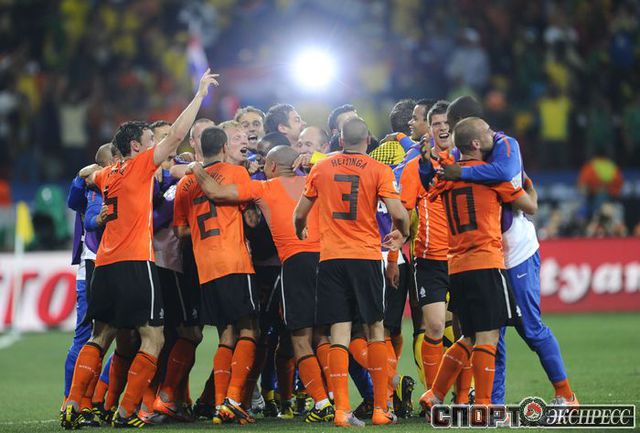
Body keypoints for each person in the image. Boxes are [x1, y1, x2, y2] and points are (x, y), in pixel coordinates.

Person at [61, 68, 219, 430]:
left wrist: (92, 167)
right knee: (154, 337)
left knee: (101, 336)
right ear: (136, 146)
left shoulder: (107, 174)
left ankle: (72, 404)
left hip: (104, 264)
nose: (155, 145)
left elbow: (87, 174)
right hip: (135, 263)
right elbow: (177, 134)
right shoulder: (139, 166)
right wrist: (199, 95)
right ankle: (127, 411)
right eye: (150, 140)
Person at [438, 95, 579, 407]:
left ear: (463, 124)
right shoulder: (462, 157)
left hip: (517, 252)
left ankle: (565, 395)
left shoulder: (505, 144)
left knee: (530, 328)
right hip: (487, 256)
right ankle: (493, 403)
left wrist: (461, 173)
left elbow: (503, 174)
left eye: (449, 124)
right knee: (492, 334)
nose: (447, 131)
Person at [189, 144, 335, 423]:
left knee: (300, 338)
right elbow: (344, 162)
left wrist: (195, 167)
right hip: (328, 262)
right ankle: (335, 398)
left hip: (295, 263)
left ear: (272, 166)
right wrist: (315, 158)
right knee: (322, 336)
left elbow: (215, 192)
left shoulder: (264, 188)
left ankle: (321, 403)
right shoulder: (315, 179)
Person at [293, 117, 410, 427]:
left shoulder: (322, 167)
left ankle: (342, 410)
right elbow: (398, 213)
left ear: (341, 140)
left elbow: (299, 214)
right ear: (368, 141)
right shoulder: (379, 170)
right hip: (365, 257)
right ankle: (381, 409)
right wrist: (402, 233)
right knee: (375, 330)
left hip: (331, 259)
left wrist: (300, 229)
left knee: (339, 332)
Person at [420, 117, 535, 413]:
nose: (492, 135)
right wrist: (529, 186)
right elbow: (530, 206)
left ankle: (435, 394)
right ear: (475, 143)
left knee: (468, 336)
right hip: (486, 262)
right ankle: (484, 407)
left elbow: (429, 188)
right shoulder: (492, 179)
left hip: (457, 266)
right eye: (486, 132)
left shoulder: (446, 179)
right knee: (488, 337)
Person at [173, 125, 258, 425]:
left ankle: (221, 404)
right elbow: (251, 218)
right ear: (223, 147)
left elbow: (180, 231)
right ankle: (233, 399)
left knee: (226, 334)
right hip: (234, 262)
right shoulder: (236, 172)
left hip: (205, 267)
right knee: (249, 330)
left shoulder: (185, 184)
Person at [398, 101, 461, 396]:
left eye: (447, 123)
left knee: (465, 331)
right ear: (430, 129)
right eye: (437, 123)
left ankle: (466, 394)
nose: (442, 128)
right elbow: (404, 210)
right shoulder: (414, 168)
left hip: (463, 257)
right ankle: (434, 396)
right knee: (434, 327)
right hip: (429, 259)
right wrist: (397, 239)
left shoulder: (467, 164)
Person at [64, 143, 118, 426]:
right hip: (94, 265)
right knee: (88, 337)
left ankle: (94, 398)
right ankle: (72, 401)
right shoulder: (94, 187)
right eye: (117, 160)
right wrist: (79, 177)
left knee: (124, 336)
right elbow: (87, 214)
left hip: (112, 264)